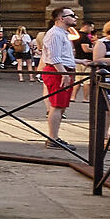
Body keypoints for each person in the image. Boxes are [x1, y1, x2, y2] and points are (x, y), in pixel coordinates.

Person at [40, 8, 80, 140]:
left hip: (62, 70)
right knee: (57, 105)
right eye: (72, 15)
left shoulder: (62, 33)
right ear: (61, 18)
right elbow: (54, 57)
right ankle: (53, 138)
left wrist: (80, 61)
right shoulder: (55, 34)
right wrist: (64, 74)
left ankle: (54, 137)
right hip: (57, 72)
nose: (76, 17)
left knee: (61, 105)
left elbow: (62, 56)